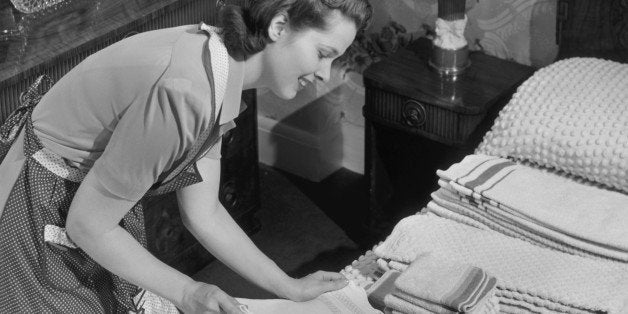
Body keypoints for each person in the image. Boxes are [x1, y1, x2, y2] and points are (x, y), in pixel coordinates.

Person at [0, 0, 372, 312]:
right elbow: (88, 226)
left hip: (81, 199)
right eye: (323, 54)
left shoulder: (218, 65)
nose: (325, 73)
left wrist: (287, 285)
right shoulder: (186, 91)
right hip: (35, 202)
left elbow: (203, 212)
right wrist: (187, 292)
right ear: (278, 26)